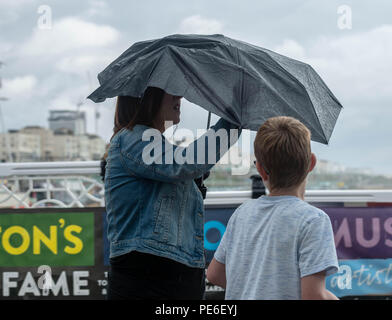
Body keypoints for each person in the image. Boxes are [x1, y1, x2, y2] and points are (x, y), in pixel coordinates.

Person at [101, 86, 241, 299]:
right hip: (149, 280)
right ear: (148, 97)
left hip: (169, 277)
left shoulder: (152, 145)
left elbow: (182, 166)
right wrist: (233, 117)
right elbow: (184, 163)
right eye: (170, 89)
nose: (180, 96)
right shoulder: (132, 139)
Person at [207, 116, 339, 300]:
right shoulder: (313, 221)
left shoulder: (242, 213)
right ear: (311, 163)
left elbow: (214, 274)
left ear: (260, 169)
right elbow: (314, 296)